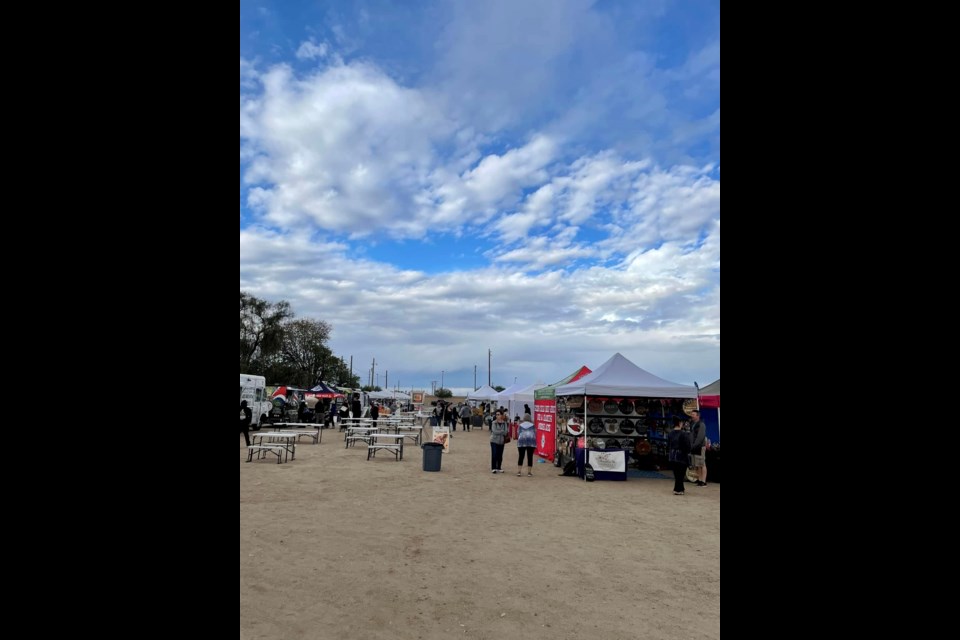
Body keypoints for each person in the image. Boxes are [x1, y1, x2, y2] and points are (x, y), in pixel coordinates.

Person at [667, 417, 691, 495]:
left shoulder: (670, 433)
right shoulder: (684, 434)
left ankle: (679, 488)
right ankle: (679, 489)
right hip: (681, 455)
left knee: (677, 473)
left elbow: (668, 445)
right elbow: (687, 446)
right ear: (680, 423)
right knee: (681, 474)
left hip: (672, 455)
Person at [689, 409, 708, 486]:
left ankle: (703, 481)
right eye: (691, 414)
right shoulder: (692, 424)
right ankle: (699, 480)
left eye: (693, 414)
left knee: (702, 464)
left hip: (699, 447)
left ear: (698, 416)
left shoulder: (701, 424)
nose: (692, 416)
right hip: (694, 447)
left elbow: (700, 437)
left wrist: (694, 445)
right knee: (697, 465)